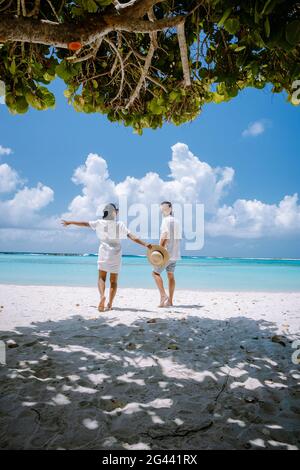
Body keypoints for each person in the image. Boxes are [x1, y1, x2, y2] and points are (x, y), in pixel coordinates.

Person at [61, 203, 151, 312]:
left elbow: (84, 223)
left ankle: (102, 296)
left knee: (101, 278)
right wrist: (146, 244)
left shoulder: (99, 223)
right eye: (116, 210)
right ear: (113, 212)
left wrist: (70, 222)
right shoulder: (120, 225)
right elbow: (132, 237)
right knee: (113, 281)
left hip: (103, 252)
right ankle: (110, 304)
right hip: (115, 254)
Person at [152, 201, 181, 307]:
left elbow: (164, 236)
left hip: (167, 253)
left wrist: (159, 250)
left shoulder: (165, 221)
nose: (162, 211)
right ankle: (170, 301)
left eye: (162, 209)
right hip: (175, 254)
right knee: (170, 276)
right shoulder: (177, 222)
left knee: (155, 273)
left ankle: (163, 295)